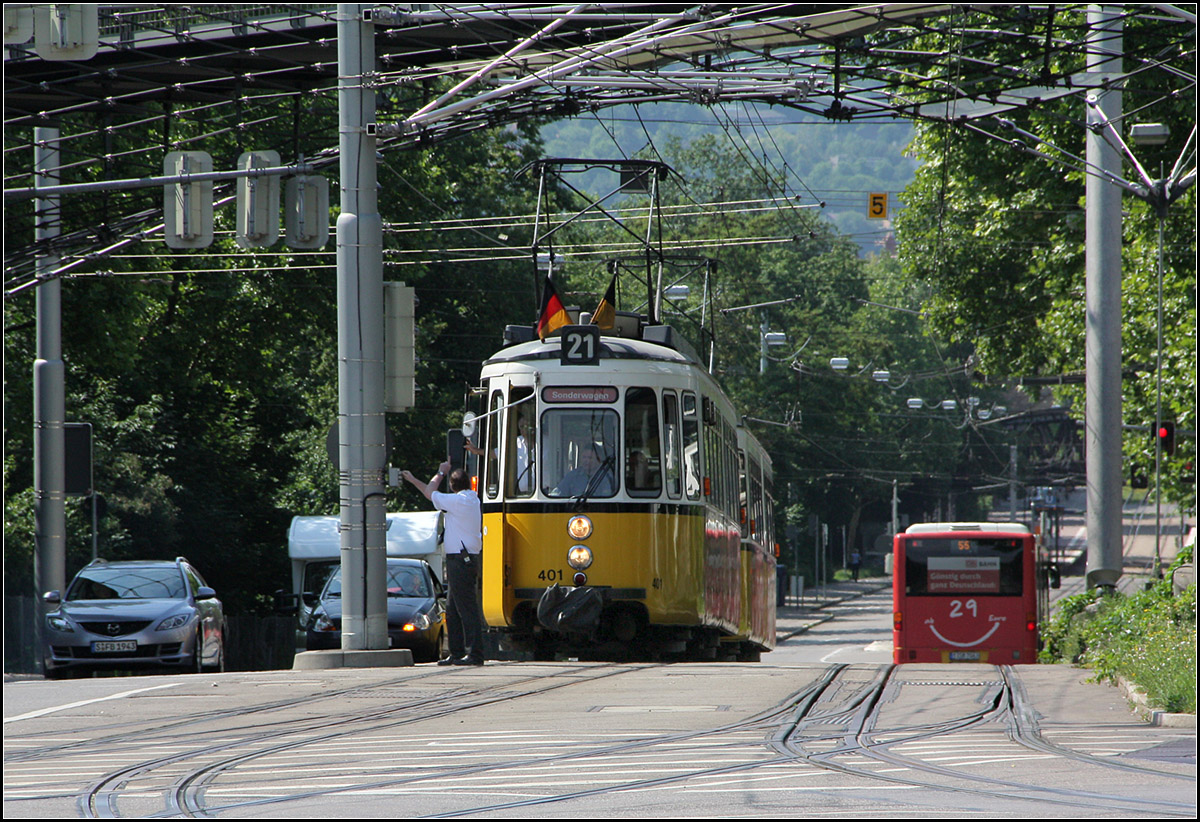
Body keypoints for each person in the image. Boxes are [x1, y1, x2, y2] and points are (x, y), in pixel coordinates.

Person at [400, 460, 484, 666]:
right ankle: (456, 653)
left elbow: (429, 492)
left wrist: (439, 472)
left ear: (453, 488)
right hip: (464, 559)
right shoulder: (471, 499)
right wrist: (413, 480)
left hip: (460, 560)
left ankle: (475, 654)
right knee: (453, 610)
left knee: (467, 609)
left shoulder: (458, 502)